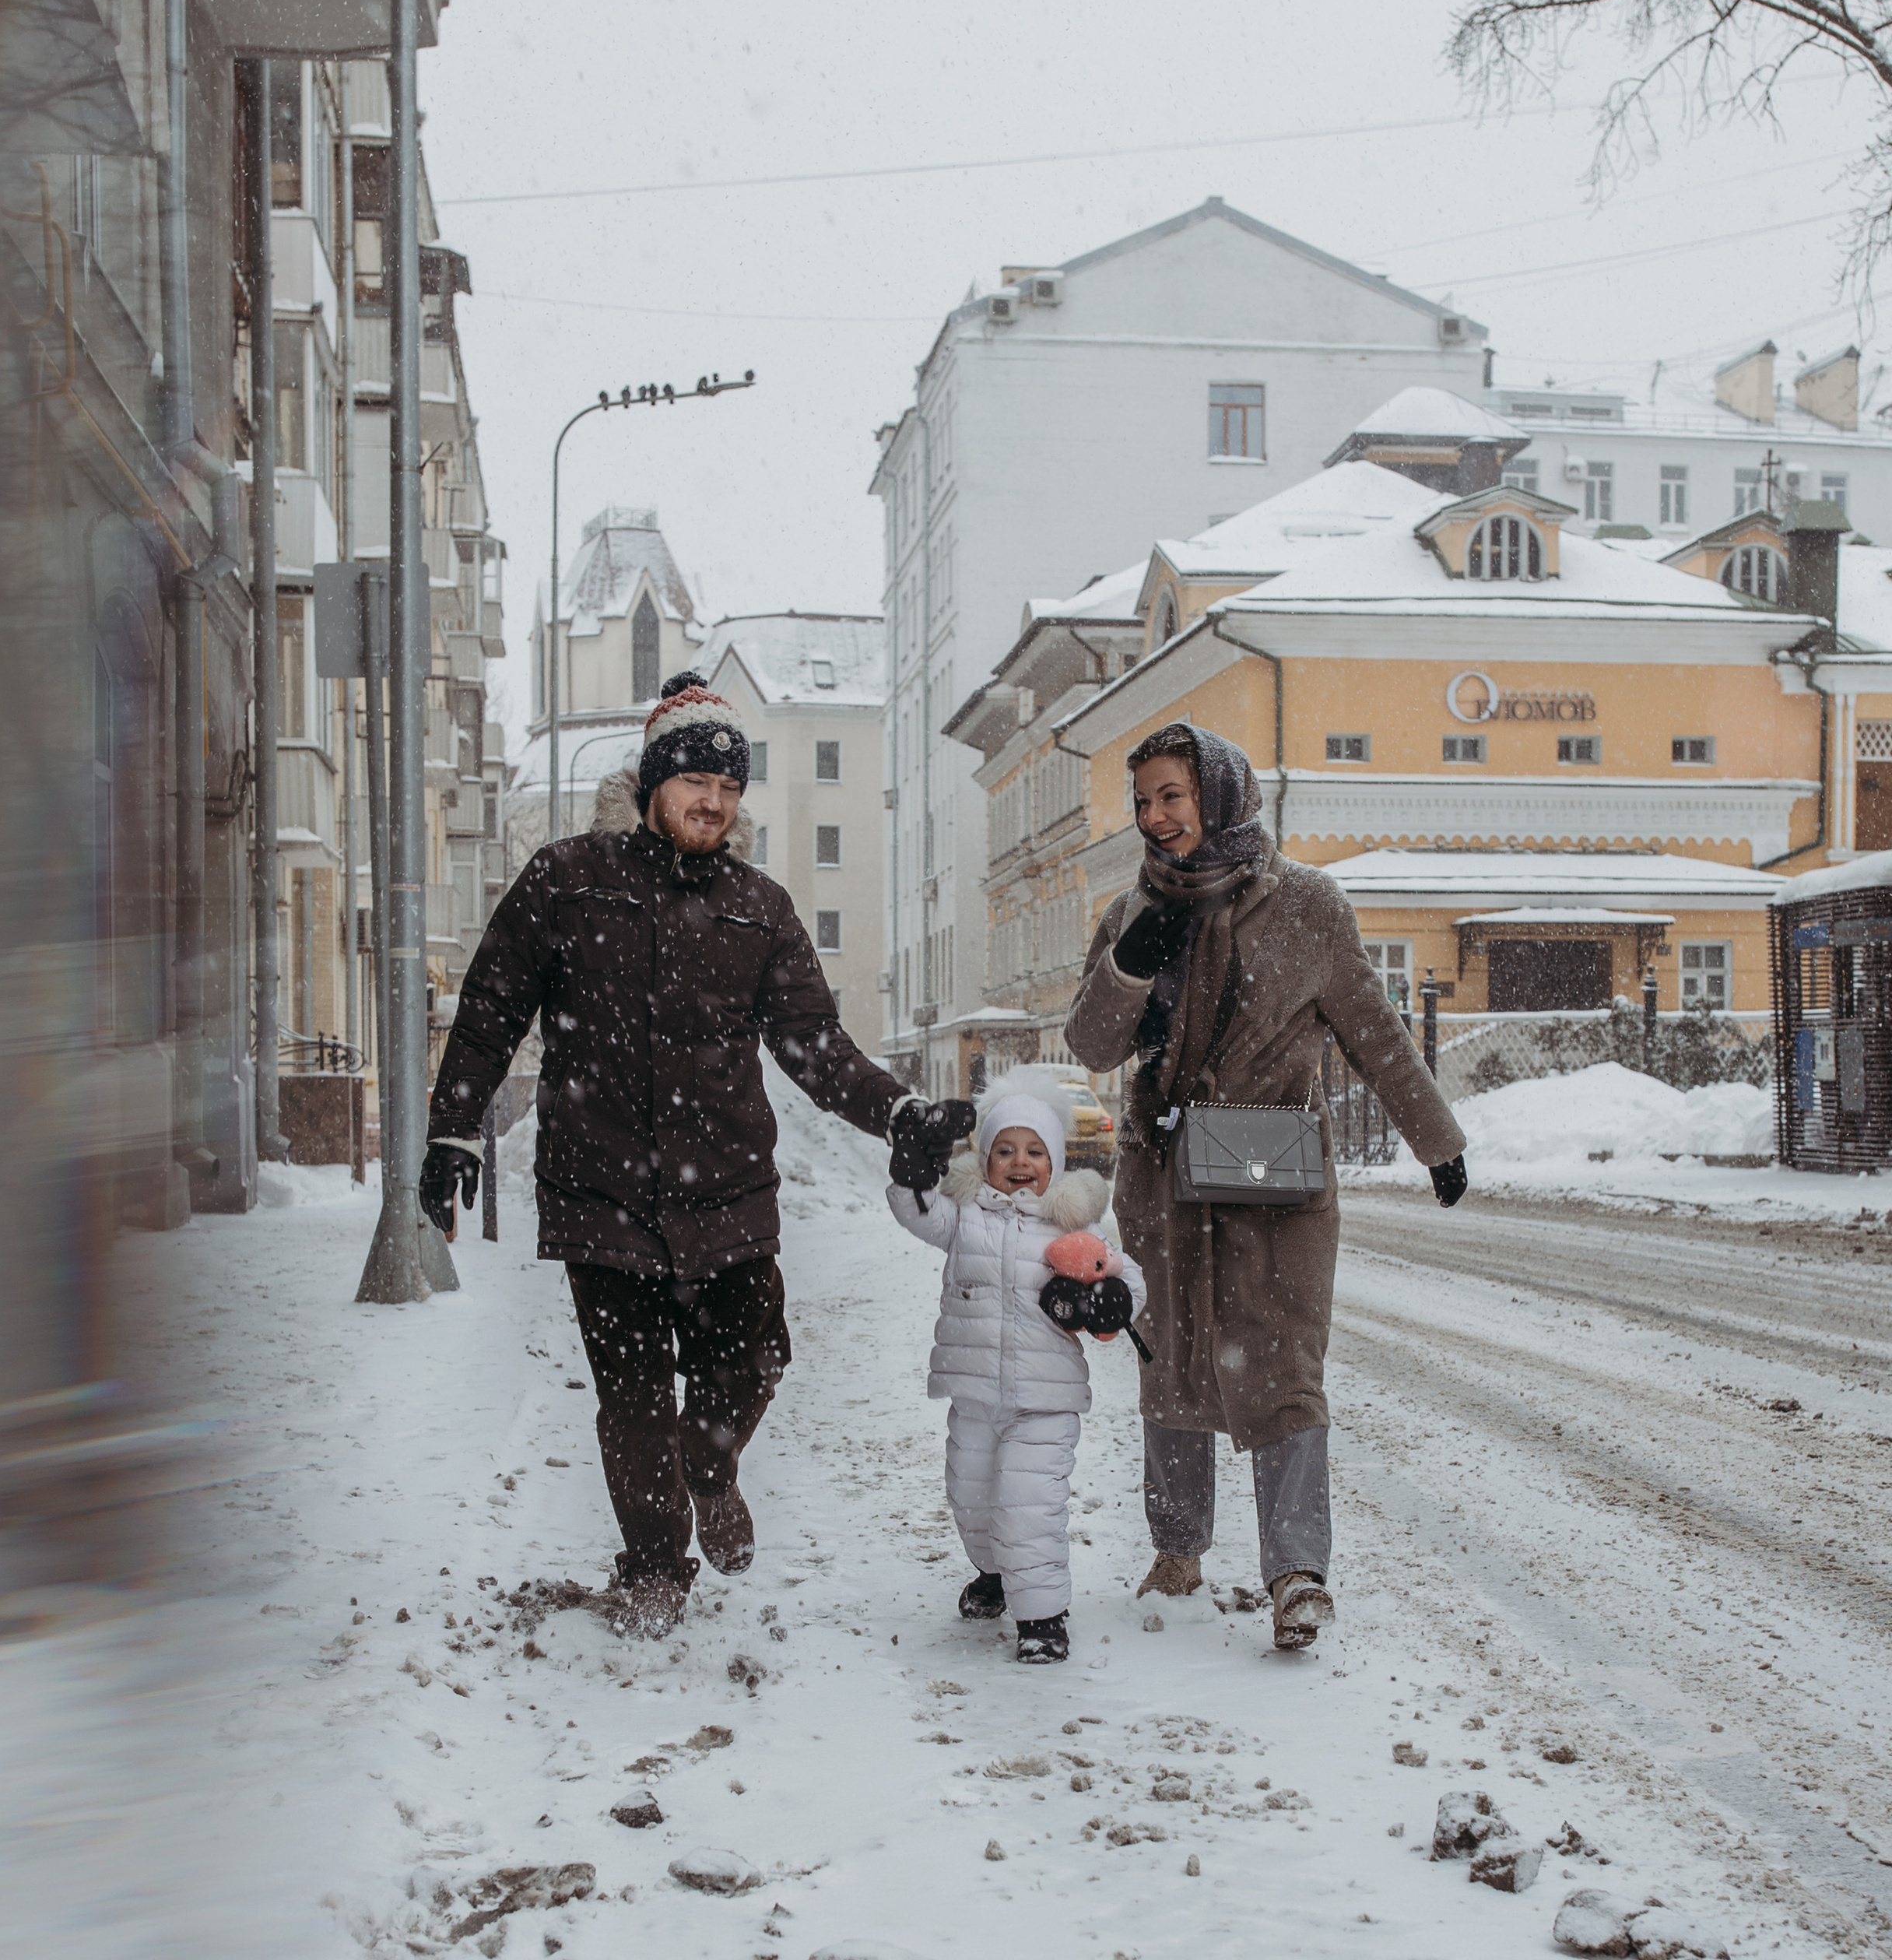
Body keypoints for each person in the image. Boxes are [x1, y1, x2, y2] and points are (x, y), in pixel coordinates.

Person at [418, 671, 973, 1639]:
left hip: (725, 1191)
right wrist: (453, 1126)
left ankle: (709, 1466)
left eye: (728, 786)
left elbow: (815, 1048)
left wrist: (899, 1115)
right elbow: (491, 1009)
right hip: (600, 1189)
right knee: (631, 1398)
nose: (712, 801)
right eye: (693, 782)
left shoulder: (759, 907)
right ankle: (653, 1570)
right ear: (652, 784)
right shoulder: (567, 879)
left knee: (755, 1358)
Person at [1065, 722, 1467, 1651]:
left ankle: (1295, 1573)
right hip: (1163, 1178)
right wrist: (1133, 963)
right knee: (1172, 1360)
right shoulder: (1131, 913)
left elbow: (1374, 1034)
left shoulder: (1309, 905)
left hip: (1272, 1178)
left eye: (1171, 795)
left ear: (1218, 791)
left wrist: (1435, 1139)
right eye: (1143, 802)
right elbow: (1091, 1045)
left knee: (1283, 1365)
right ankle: (1177, 1550)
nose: (1155, 817)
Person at [888, 1066, 1146, 1664]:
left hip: (1045, 1401)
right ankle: (996, 1574)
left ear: (1054, 1161)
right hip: (974, 1394)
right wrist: (910, 1168)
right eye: (1004, 1150)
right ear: (984, 1160)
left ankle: (1043, 1617)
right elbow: (916, 1210)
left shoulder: (1073, 1226)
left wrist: (1112, 1298)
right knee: (971, 1497)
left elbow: (1125, 1275)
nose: (1020, 1161)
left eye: (1034, 1150)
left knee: (1028, 1506)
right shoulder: (965, 1216)